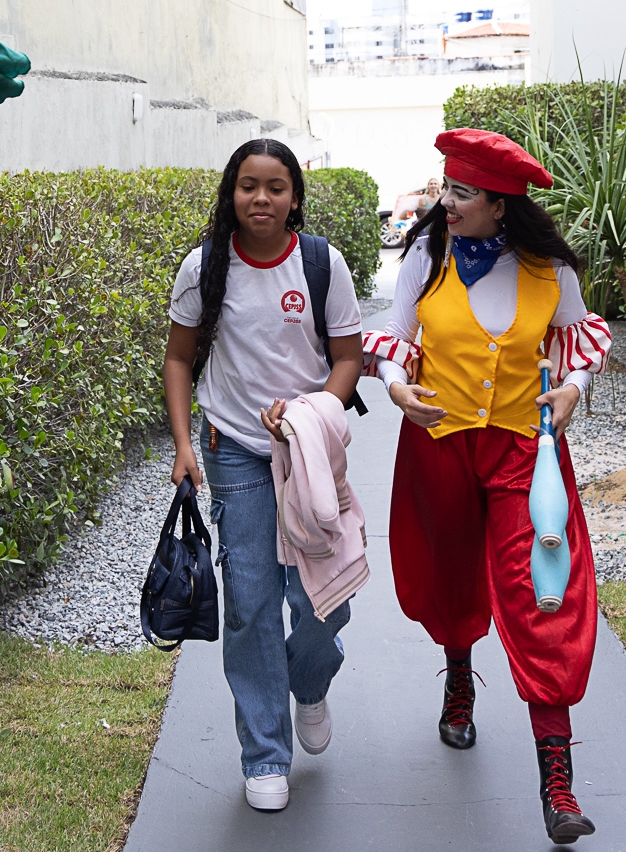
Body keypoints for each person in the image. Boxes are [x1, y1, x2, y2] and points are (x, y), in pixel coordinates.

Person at [363, 128, 612, 845]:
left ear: (501, 205)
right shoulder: (425, 255)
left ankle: (557, 784)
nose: (447, 202)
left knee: (543, 594)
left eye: (463, 192)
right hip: (438, 443)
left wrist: (572, 388)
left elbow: (579, 341)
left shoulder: (549, 269)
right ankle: (459, 673)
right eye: (446, 187)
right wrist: (398, 388)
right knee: (450, 574)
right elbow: (397, 339)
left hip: (522, 453)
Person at [162, 139, 366, 813]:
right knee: (251, 604)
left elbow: (347, 359)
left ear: (294, 197)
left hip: (309, 452)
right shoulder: (204, 266)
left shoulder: (321, 263)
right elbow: (179, 359)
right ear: (232, 192)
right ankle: (265, 754)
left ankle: (310, 681)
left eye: (275, 186)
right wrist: (185, 444)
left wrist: (309, 414)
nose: (261, 198)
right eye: (248, 185)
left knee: (323, 598)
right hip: (236, 451)